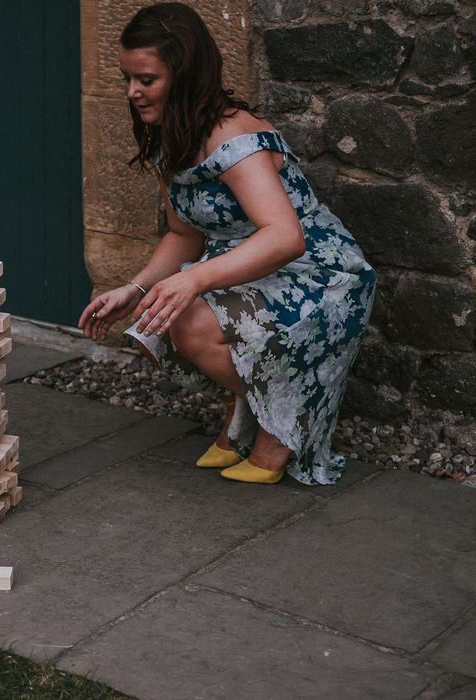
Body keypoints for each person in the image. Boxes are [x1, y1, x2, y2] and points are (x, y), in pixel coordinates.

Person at [79, 2, 376, 486]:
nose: (132, 92)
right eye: (126, 78)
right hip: (256, 268)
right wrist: (131, 289)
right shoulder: (169, 138)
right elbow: (184, 234)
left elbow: (285, 236)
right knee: (161, 312)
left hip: (320, 274)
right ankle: (251, 408)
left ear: (184, 73)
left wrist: (193, 280)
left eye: (146, 79)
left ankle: (281, 426)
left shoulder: (234, 136)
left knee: (191, 318)